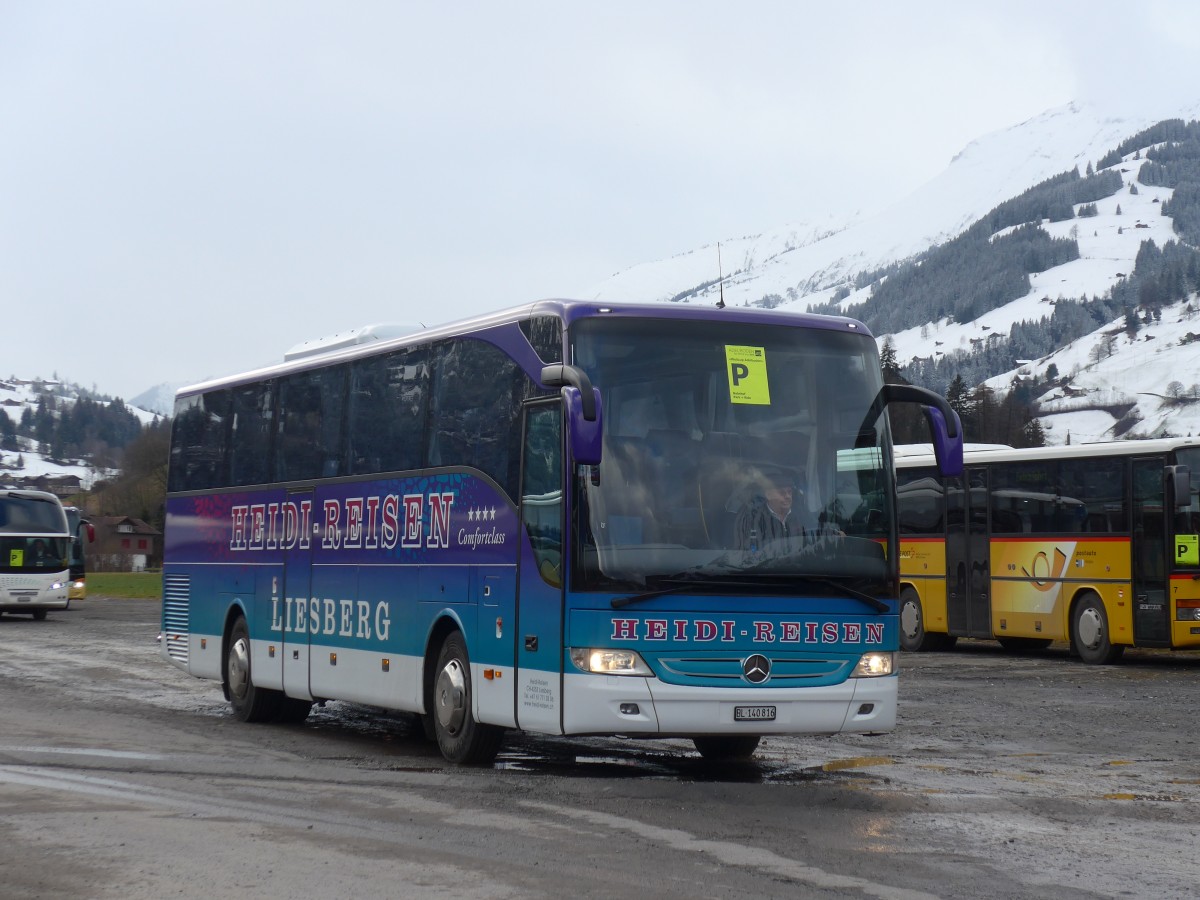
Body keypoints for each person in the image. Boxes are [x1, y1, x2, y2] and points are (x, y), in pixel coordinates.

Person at [734, 463, 806, 554]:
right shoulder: (753, 519)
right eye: (782, 493)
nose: (788, 496)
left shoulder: (800, 517)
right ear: (768, 495)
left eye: (789, 492)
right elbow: (748, 552)